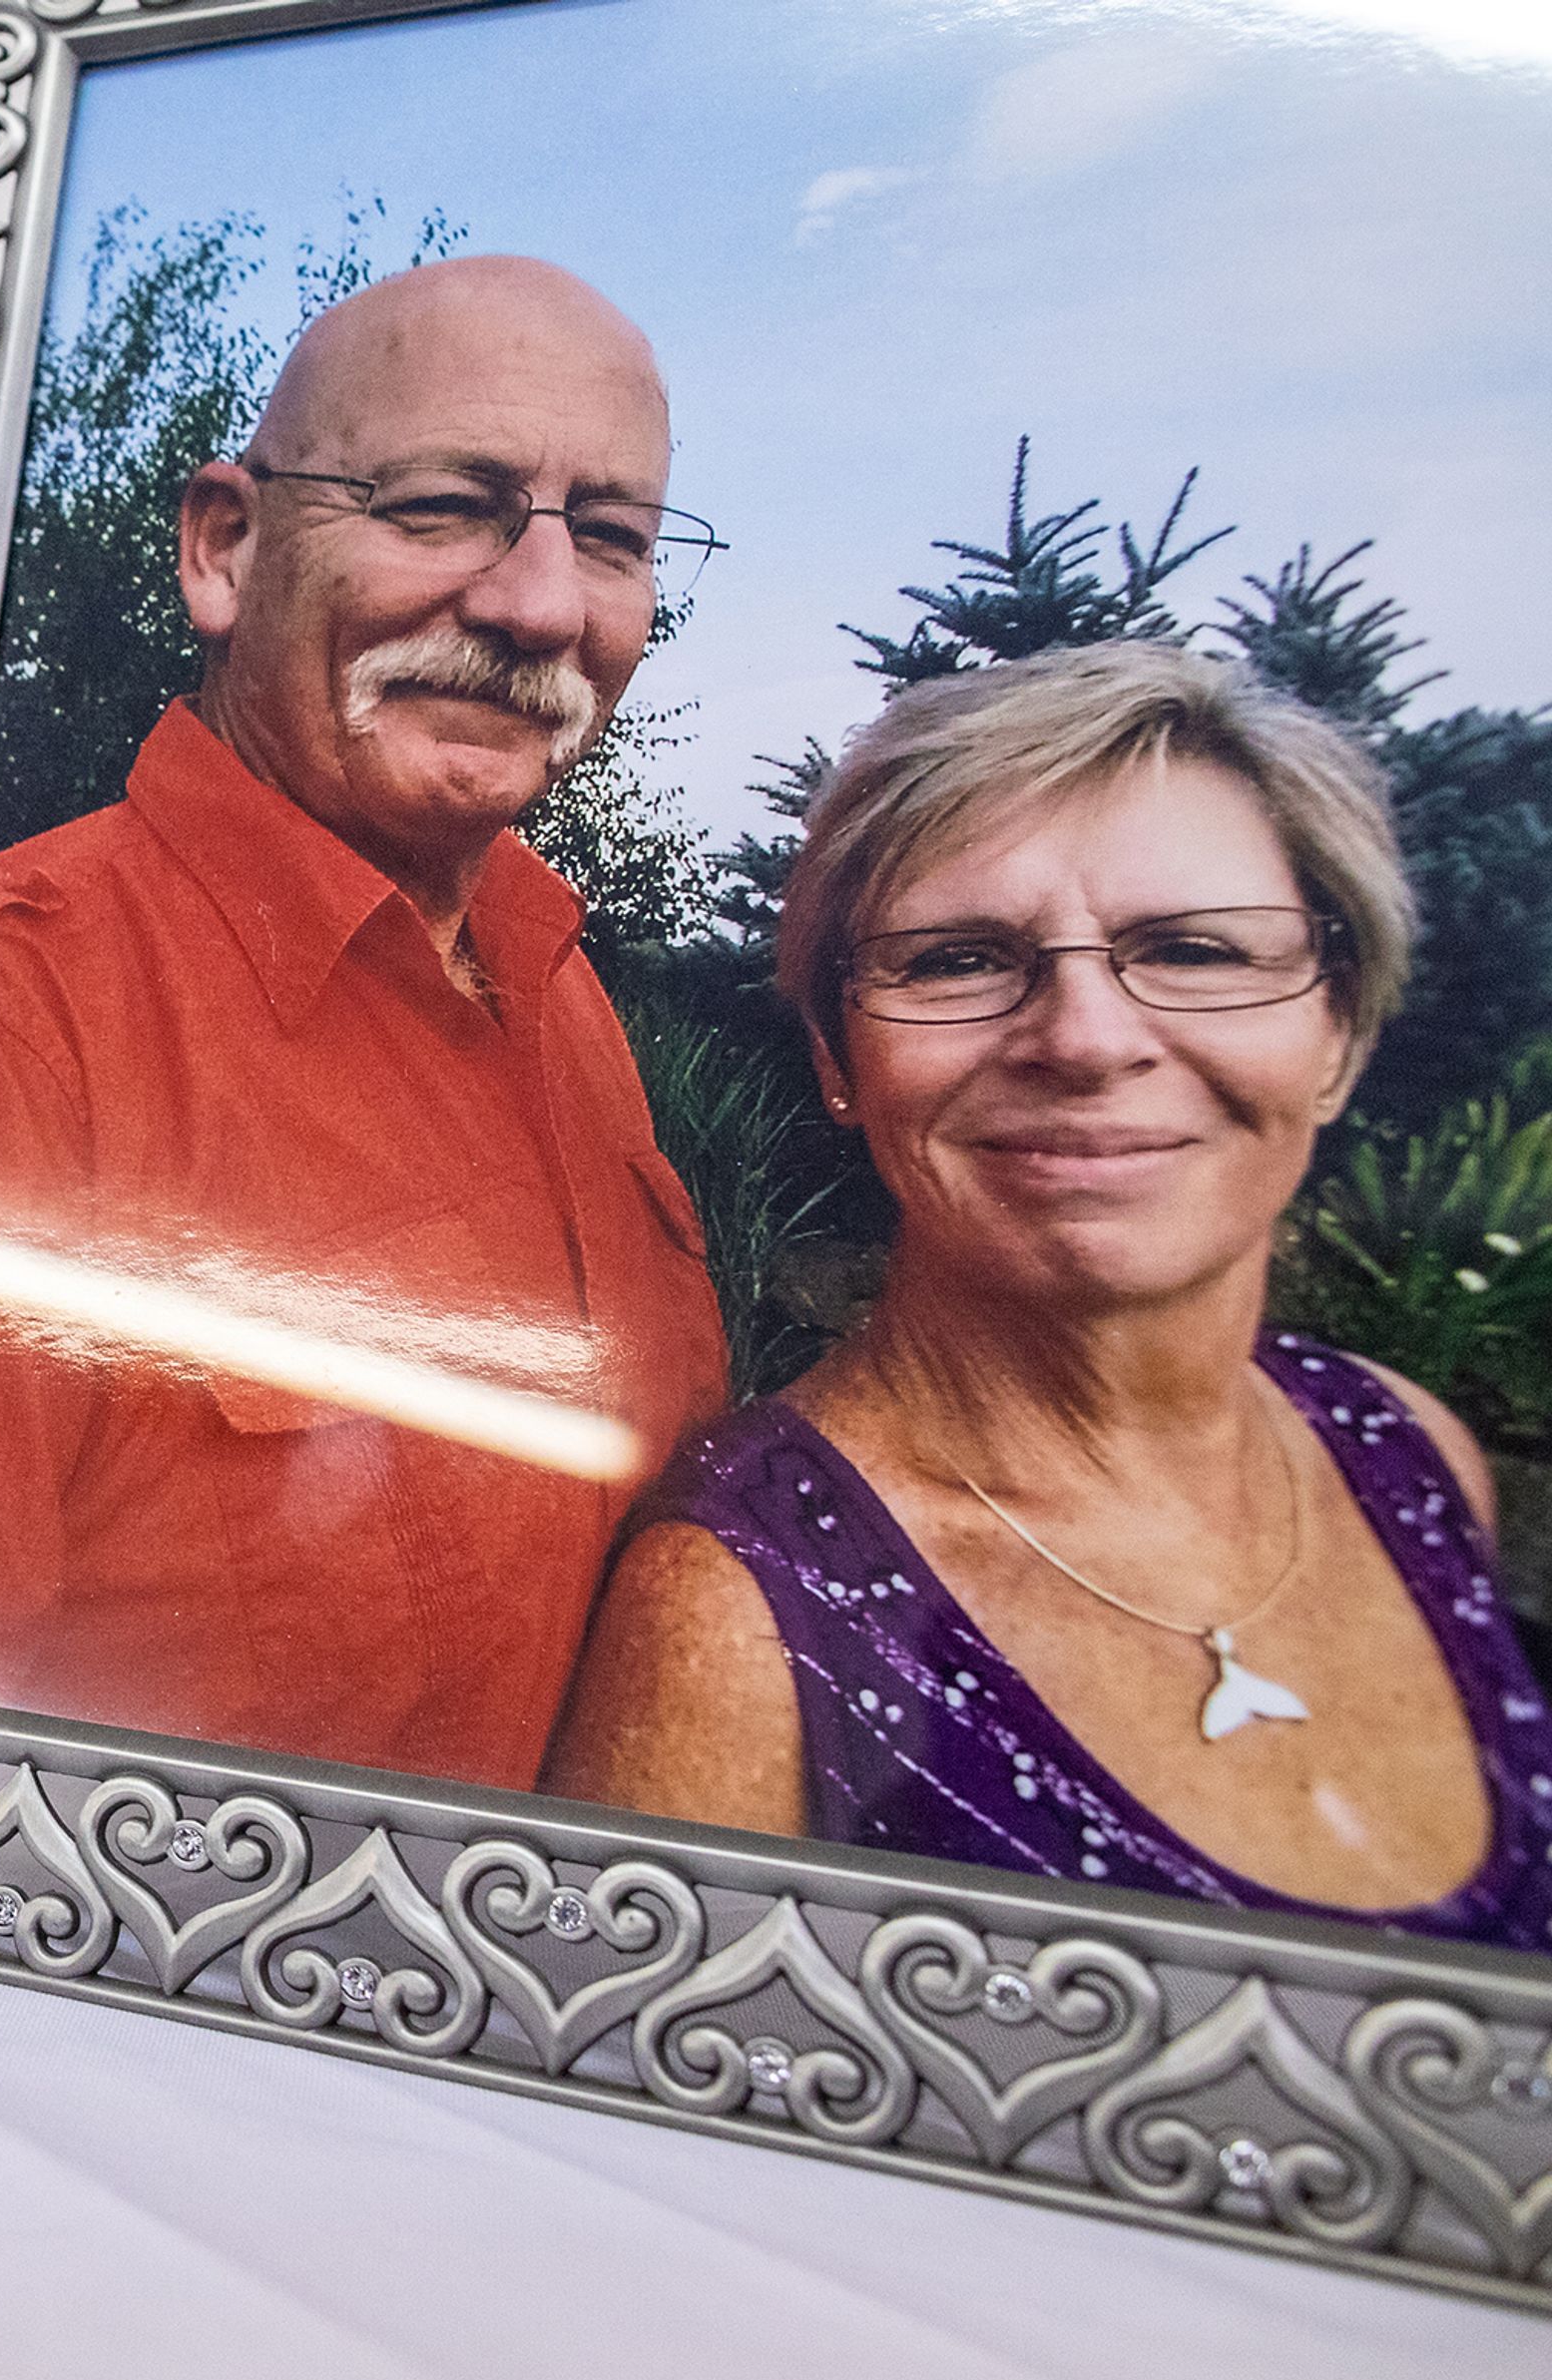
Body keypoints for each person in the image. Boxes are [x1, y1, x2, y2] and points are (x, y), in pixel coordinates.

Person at [0, 257, 734, 1790]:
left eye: (609, 538)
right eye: (441, 506)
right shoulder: (4, 1026)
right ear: (225, 551)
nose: (539, 606)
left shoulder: (560, 981)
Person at [546, 643, 1550, 1950]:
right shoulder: (744, 1622)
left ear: (1338, 1036)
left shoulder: (1407, 1454)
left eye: (1192, 949)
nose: (1084, 1038)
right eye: (959, 959)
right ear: (841, 1058)